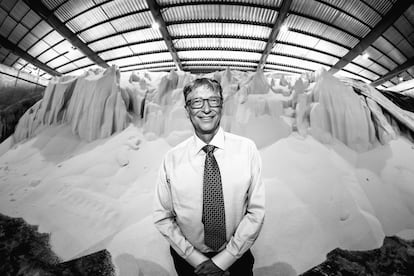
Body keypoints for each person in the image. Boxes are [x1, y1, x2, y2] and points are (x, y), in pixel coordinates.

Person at [153, 78, 265, 276]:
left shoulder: (247, 150)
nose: (206, 109)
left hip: (238, 259)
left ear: (221, 106)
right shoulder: (171, 159)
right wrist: (195, 259)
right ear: (187, 110)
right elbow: (163, 216)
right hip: (188, 263)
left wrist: (226, 259)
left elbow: (256, 212)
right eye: (197, 102)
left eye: (213, 101)